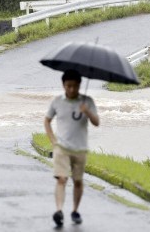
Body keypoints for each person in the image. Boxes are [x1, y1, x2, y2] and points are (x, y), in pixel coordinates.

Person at [44, 69, 100, 227]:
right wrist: (53, 141)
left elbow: (96, 123)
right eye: (68, 86)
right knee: (61, 179)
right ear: (63, 85)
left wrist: (87, 111)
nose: (72, 89)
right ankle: (59, 211)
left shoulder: (87, 101)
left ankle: (75, 210)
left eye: (75, 86)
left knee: (78, 181)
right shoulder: (57, 102)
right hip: (62, 148)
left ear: (80, 85)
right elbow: (47, 121)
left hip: (80, 149)